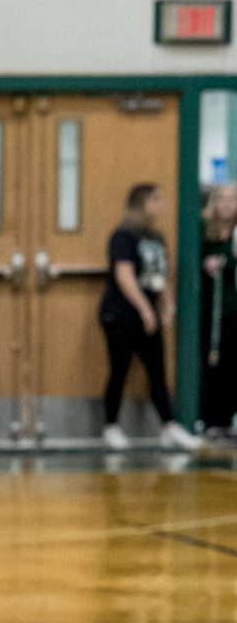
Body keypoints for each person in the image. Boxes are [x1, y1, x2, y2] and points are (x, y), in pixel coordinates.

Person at [98, 184, 200, 452]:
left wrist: (168, 305)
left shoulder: (156, 238)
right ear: (141, 203)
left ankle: (169, 426)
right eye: (156, 199)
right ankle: (110, 426)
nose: (161, 204)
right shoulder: (123, 236)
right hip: (121, 313)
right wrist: (144, 308)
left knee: (157, 371)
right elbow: (124, 276)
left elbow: (160, 276)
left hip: (149, 313)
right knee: (119, 369)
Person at [199, 183, 237, 435]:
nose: (226, 203)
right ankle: (210, 418)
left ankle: (228, 417)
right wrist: (207, 263)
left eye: (232, 198)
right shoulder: (203, 229)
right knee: (212, 362)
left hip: (232, 307)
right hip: (209, 307)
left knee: (232, 363)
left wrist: (228, 261)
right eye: (222, 198)